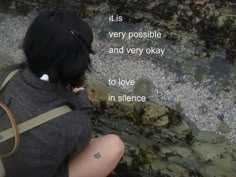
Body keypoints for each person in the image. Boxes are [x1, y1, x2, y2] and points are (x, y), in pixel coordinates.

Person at [0, 10, 125, 177]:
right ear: (79, 63)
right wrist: (81, 102)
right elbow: (74, 144)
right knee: (113, 146)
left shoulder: (9, 75)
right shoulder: (76, 124)